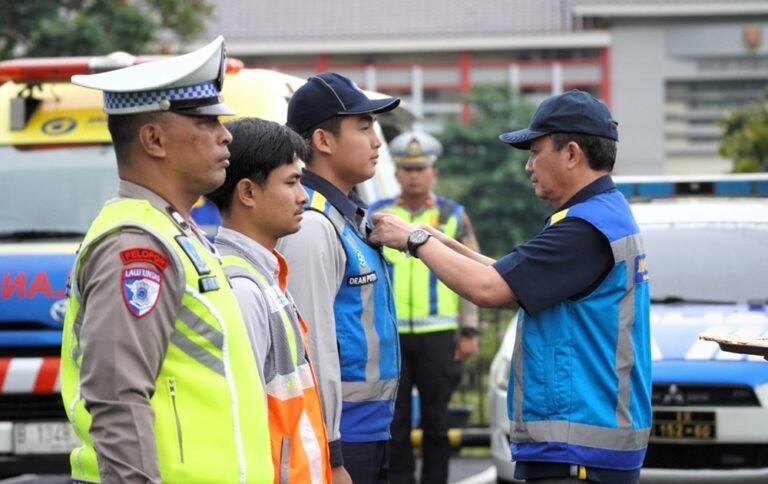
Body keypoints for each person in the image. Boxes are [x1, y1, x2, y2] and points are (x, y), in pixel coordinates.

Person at [370, 90, 652, 484]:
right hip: (584, 442)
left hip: (578, 447)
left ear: (572, 154)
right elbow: (510, 280)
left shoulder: (584, 229)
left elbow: (490, 290)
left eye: (535, 152)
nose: (528, 166)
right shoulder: (600, 215)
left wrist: (415, 242)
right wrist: (440, 241)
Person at [59, 37, 273, 484]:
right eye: (206, 121)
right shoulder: (137, 246)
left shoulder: (175, 231)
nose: (226, 134)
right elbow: (117, 395)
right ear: (154, 139)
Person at [277, 72, 401, 484]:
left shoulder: (349, 214)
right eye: (363, 127)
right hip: (342, 434)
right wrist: (330, 451)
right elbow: (310, 348)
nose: (376, 141)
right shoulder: (312, 222)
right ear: (323, 140)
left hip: (370, 427)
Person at [206, 117, 332, 483]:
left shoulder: (266, 273)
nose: (303, 196)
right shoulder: (243, 288)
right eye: (291, 182)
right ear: (247, 192)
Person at [368, 131, 480, 484]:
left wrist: (469, 330)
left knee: (437, 422)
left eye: (421, 169)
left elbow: (472, 272)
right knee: (395, 421)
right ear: (397, 173)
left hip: (439, 335)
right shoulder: (378, 214)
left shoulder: (453, 215)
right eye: (407, 169)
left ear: (434, 172)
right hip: (391, 334)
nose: (414, 176)